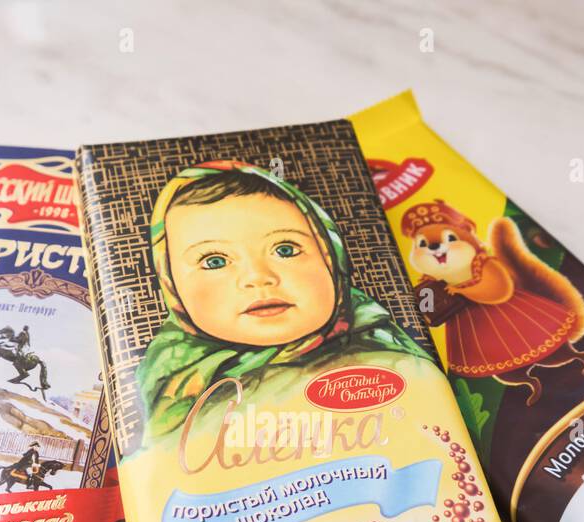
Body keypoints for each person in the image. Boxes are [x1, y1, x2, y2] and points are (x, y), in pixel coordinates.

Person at [136, 161, 431, 444]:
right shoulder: (170, 376)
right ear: (170, 282)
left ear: (331, 257)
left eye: (286, 249)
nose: (259, 278)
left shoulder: (392, 362)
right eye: (215, 261)